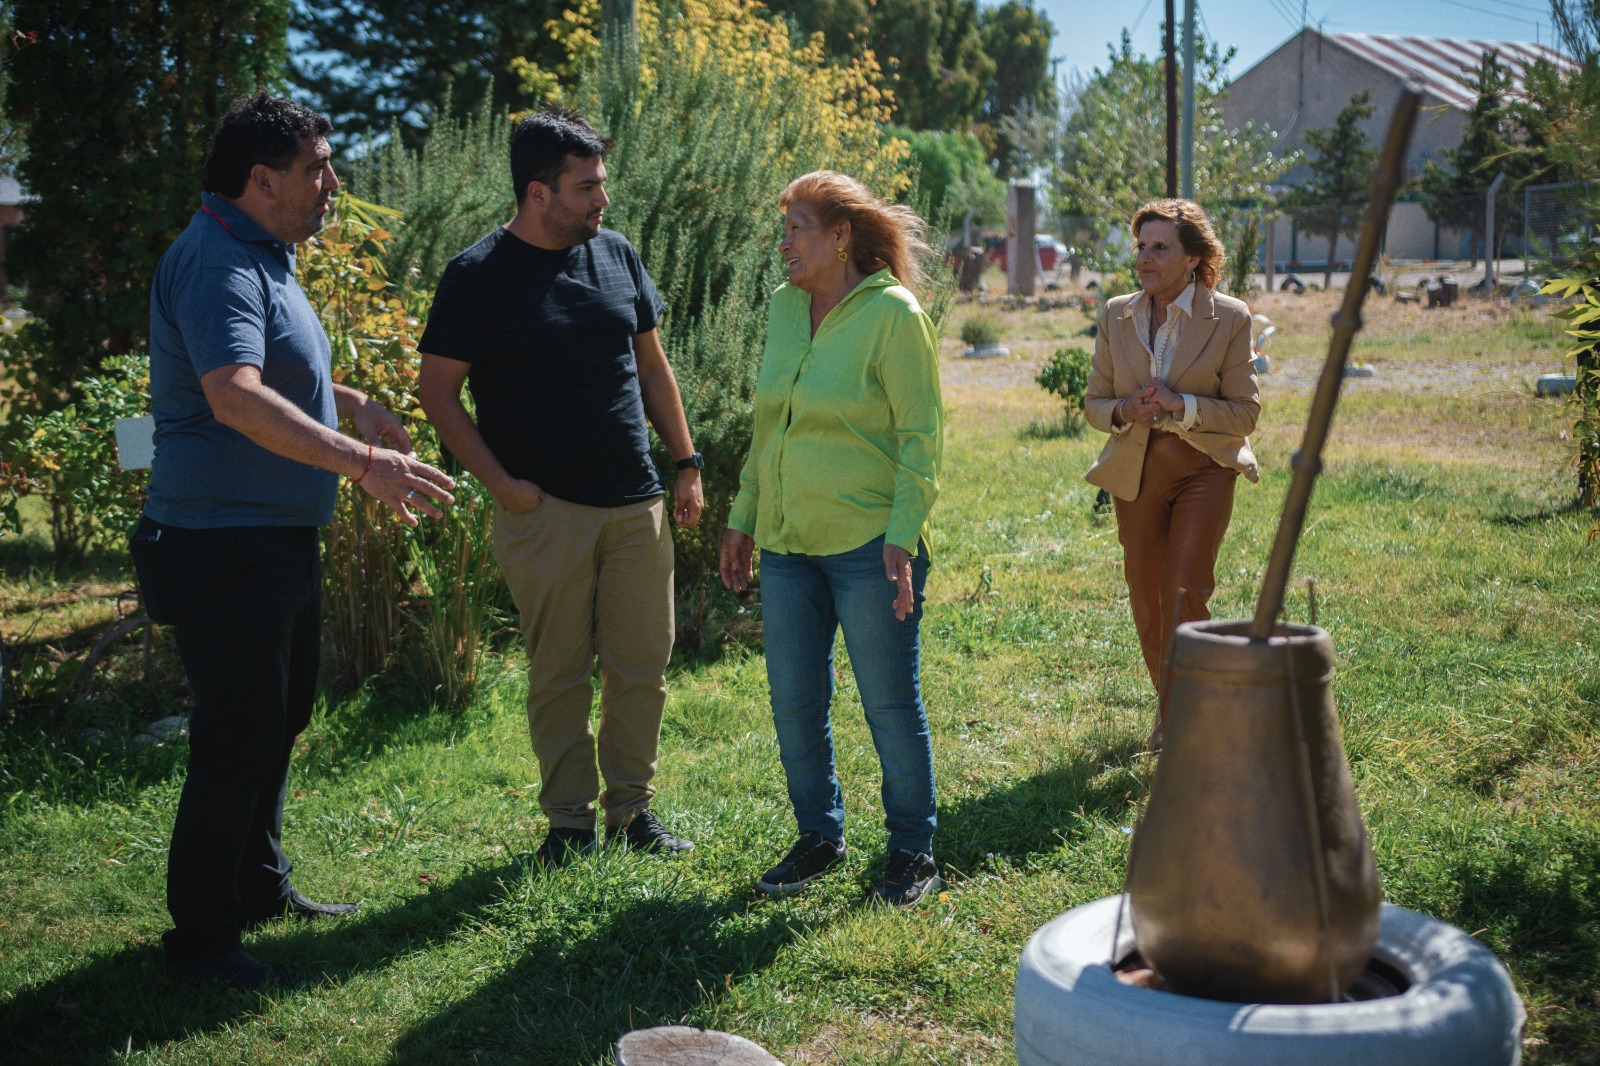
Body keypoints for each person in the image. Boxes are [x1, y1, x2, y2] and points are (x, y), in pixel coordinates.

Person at [133, 94, 456, 989]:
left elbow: (272, 366)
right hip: (218, 543)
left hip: (266, 537)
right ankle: (200, 942)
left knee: (278, 720)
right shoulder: (217, 263)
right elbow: (233, 394)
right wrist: (360, 461)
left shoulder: (263, 254)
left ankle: (258, 887)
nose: (333, 184)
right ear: (261, 179)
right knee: (236, 736)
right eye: (317, 168)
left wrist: (348, 400)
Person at [417, 106, 703, 869]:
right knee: (560, 674)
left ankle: (633, 813)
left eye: (601, 184)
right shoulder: (476, 276)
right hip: (544, 512)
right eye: (587, 187)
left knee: (642, 665)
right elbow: (437, 393)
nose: (601, 201)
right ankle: (569, 824)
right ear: (538, 193)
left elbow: (652, 366)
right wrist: (503, 486)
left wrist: (686, 462)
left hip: (635, 500)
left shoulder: (616, 254)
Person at [719, 171, 944, 908]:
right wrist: (744, 517)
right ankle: (819, 836)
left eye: (796, 229)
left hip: (869, 546)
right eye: (782, 228)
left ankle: (912, 850)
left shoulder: (894, 315)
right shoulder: (787, 309)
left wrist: (902, 539)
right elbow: (769, 421)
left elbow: (921, 438)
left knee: (888, 702)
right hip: (788, 543)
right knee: (793, 699)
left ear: (840, 236)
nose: (782, 244)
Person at [1083, 198, 1260, 749]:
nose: (1145, 257)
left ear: (1192, 259)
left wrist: (1180, 403)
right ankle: (1175, 704)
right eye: (1141, 245)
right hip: (1136, 473)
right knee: (1145, 594)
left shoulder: (1229, 317)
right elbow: (1093, 403)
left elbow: (1246, 412)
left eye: (1161, 247)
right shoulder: (1116, 313)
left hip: (1204, 469)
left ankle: (1178, 721)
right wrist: (1125, 411)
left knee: (1185, 592)